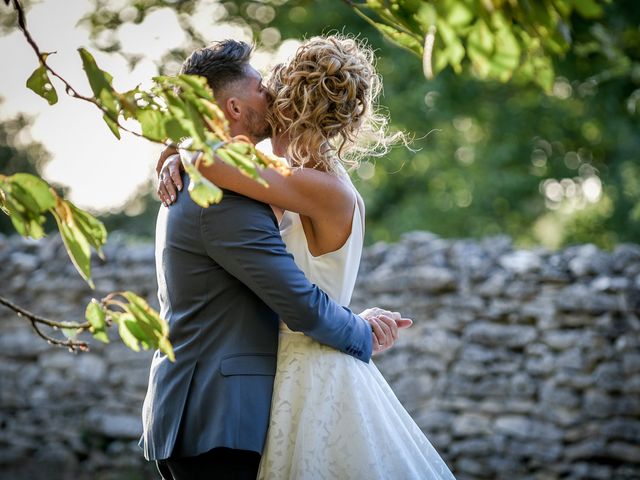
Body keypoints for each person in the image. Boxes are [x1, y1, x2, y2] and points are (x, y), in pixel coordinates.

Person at [159, 35, 456, 479]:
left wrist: (179, 152)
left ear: (291, 114)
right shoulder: (298, 184)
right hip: (287, 374)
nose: (266, 104)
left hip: (313, 375)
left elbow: (210, 161)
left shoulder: (319, 189)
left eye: (272, 98)